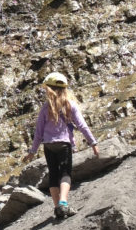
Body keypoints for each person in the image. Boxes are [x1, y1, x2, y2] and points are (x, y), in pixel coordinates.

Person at [23, 71, 99, 219]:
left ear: (48, 90)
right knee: (65, 173)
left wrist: (32, 151)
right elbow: (82, 126)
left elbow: (38, 133)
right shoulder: (70, 106)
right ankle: (64, 203)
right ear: (65, 89)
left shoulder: (45, 109)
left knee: (53, 174)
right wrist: (93, 143)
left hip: (48, 145)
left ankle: (58, 207)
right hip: (64, 144)